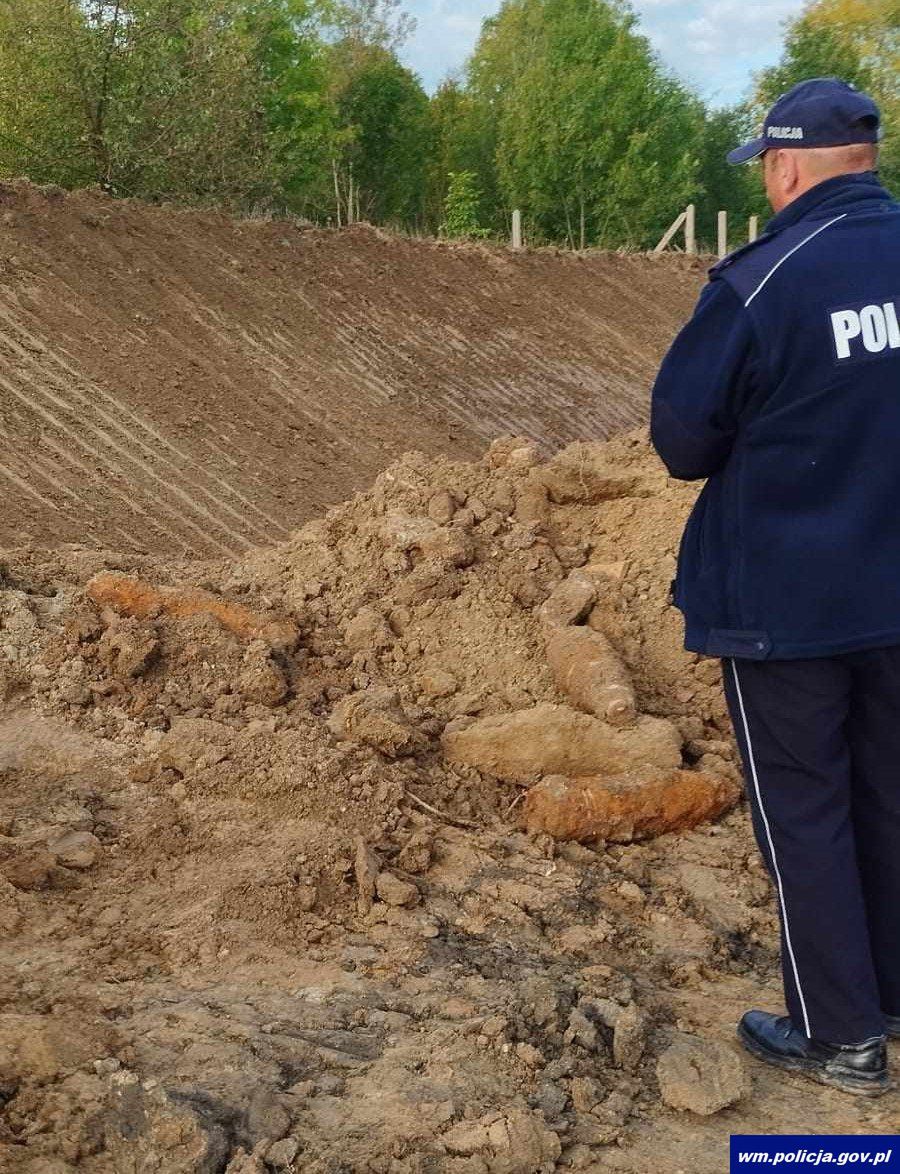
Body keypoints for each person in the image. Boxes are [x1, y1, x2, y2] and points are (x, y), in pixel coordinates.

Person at [650, 77, 900, 1097]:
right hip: (894, 589)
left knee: (805, 809)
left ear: (787, 166)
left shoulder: (764, 279)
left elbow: (681, 438)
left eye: (765, 169)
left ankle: (839, 1034)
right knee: (888, 792)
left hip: (785, 601)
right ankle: (884, 991)